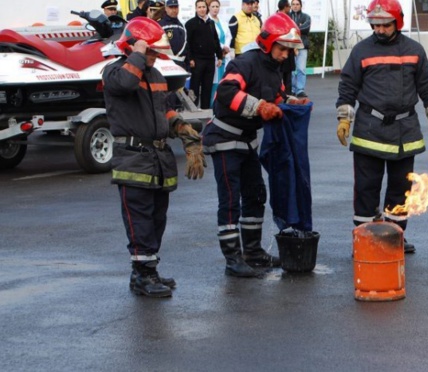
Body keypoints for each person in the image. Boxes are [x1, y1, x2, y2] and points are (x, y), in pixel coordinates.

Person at [103, 17, 206, 297]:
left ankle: (150, 269)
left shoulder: (157, 76)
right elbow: (126, 84)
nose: (153, 57)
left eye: (153, 52)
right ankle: (142, 275)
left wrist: (183, 130)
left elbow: (164, 111)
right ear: (133, 47)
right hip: (133, 159)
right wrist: (137, 52)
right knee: (140, 221)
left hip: (158, 160)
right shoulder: (113, 72)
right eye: (148, 51)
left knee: (157, 219)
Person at [203, 12, 309, 277]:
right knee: (230, 201)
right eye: (283, 48)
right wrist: (259, 107)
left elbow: (275, 96)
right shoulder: (245, 63)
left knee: (256, 195)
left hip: (246, 141)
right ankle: (233, 260)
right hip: (226, 139)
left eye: (289, 50)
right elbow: (226, 93)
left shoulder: (274, 70)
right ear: (269, 42)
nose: (287, 55)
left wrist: (289, 103)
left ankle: (252, 252)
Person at [335, 0, 428, 254]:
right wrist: (344, 119)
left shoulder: (415, 50)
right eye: (376, 25)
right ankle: (364, 240)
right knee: (366, 190)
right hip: (369, 131)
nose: (380, 29)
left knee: (400, 190)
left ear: (398, 22)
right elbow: (347, 86)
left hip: (405, 132)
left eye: (385, 25)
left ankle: (394, 238)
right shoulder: (362, 51)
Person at [185, 0, 223, 109]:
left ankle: (206, 109)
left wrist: (219, 56)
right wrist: (190, 58)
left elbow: (215, 40)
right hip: (197, 60)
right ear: (196, 9)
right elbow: (188, 43)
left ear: (206, 8)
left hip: (210, 60)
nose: (202, 9)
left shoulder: (211, 23)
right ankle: (193, 108)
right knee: (195, 86)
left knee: (207, 86)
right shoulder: (190, 23)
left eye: (203, 7)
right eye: (199, 7)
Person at [208, 0, 233, 108]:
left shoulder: (222, 21)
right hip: (214, 56)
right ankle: (212, 106)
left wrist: (226, 46)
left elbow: (228, 35)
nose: (215, 8)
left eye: (217, 6)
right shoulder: (208, 22)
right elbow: (213, 39)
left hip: (224, 56)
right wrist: (222, 46)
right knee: (214, 83)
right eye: (213, 6)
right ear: (209, 8)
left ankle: (220, 106)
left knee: (222, 82)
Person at [290, 0, 310, 97]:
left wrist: (293, 29)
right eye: (293, 4)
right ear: (291, 6)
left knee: (301, 69)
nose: (295, 6)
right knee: (291, 70)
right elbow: (286, 29)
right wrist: (298, 27)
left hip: (302, 46)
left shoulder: (306, 17)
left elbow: (306, 28)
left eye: (297, 4)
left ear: (301, 6)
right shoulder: (287, 17)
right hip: (290, 47)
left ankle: (300, 90)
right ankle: (293, 89)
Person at [159, 0, 188, 70]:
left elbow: (186, 44)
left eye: (176, 7)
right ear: (166, 8)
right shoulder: (160, 25)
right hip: (166, 63)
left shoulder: (181, 25)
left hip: (181, 63)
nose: (174, 10)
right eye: (171, 7)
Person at [277, 0, 295, 95]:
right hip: (281, 49)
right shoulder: (277, 18)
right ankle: (280, 95)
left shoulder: (289, 17)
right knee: (279, 75)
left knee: (288, 76)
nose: (290, 8)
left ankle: (288, 95)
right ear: (285, 7)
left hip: (288, 50)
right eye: (289, 6)